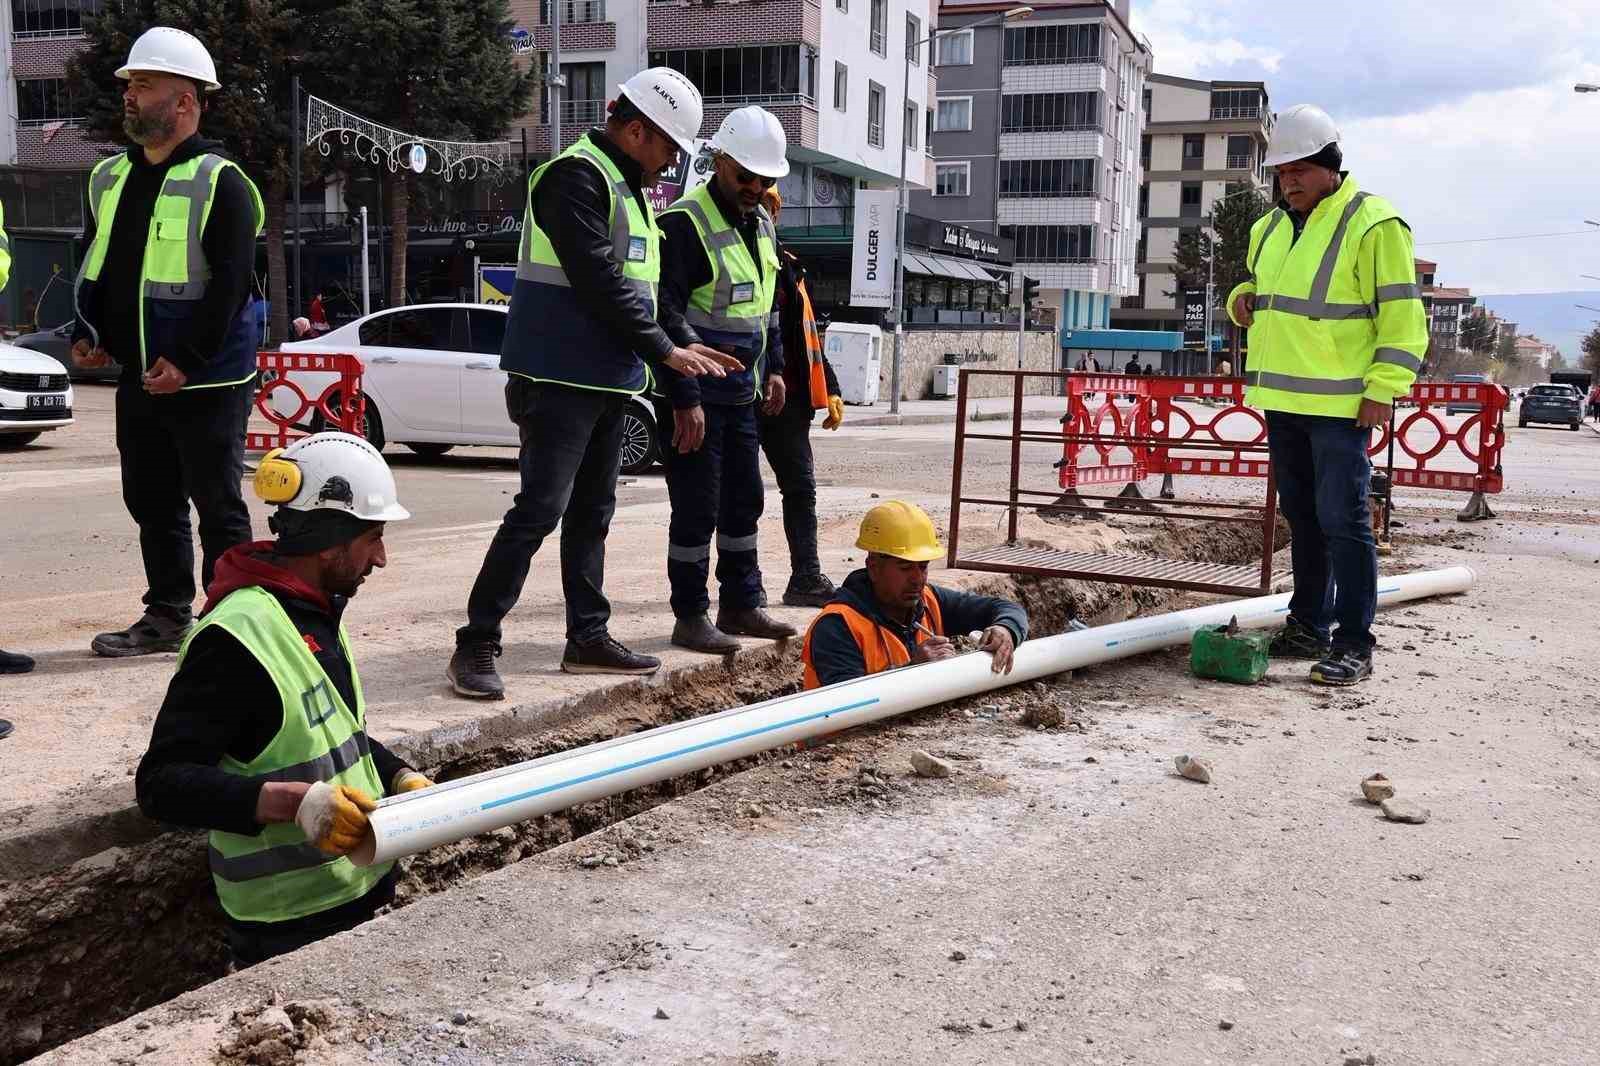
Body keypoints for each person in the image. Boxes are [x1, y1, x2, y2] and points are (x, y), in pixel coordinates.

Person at [447, 69, 739, 699]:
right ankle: (475, 642)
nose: (669, 164)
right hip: (555, 377)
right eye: (666, 148)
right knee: (540, 511)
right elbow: (596, 278)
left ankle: (588, 635)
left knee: (592, 514)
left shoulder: (631, 192)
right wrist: (665, 349)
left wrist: (679, 343)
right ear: (635, 130)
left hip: (605, 381)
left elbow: (646, 291)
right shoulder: (572, 177)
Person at [135, 432, 432, 967]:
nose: (382, 558)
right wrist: (294, 804)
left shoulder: (315, 611)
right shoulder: (237, 639)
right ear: (330, 543)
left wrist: (397, 774)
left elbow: (333, 733)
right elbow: (161, 784)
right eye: (374, 537)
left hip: (360, 886)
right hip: (287, 923)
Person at [70, 27, 265, 658]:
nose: (129, 96)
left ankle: (234, 623)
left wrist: (186, 359)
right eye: (129, 85)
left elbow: (231, 286)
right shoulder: (107, 177)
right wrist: (89, 332)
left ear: (185, 101)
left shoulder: (222, 181)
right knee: (151, 500)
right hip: (138, 375)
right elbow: (95, 263)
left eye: (144, 85)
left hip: (206, 379)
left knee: (218, 504)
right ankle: (167, 614)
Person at [1227, 103, 1426, 686]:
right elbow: (1265, 291)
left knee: (1344, 522)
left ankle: (1354, 643)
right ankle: (1307, 623)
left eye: (1301, 170)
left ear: (1331, 166)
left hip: (1341, 408)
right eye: (1282, 171)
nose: (1289, 180)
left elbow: (1402, 320)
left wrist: (1383, 391)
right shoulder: (1267, 229)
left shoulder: (1374, 224)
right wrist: (1241, 296)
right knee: (1304, 518)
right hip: (1285, 402)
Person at [656, 106, 798, 654]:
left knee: (744, 501)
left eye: (766, 180)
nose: (757, 188)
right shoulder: (684, 225)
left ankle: (742, 602)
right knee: (697, 505)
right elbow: (665, 316)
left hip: (741, 396)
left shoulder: (759, 221)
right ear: (719, 162)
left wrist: (777, 369)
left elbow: (768, 308)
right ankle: (690, 614)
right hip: (697, 400)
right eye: (747, 177)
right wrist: (685, 397)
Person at [800, 501, 1028, 688]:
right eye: (905, 567)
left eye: (923, 567)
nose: (917, 579)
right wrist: (911, 670)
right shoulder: (837, 625)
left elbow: (1007, 608)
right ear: (874, 567)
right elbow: (847, 702)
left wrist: (1006, 629)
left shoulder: (929, 601)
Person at [755, 185, 843, 608]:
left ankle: (805, 577)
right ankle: (741, 585)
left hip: (789, 403)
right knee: (736, 494)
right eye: (758, 205)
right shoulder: (735, 260)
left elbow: (808, 336)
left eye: (769, 207)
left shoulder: (788, 267)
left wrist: (833, 387)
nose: (763, 215)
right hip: (740, 393)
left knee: (801, 488)